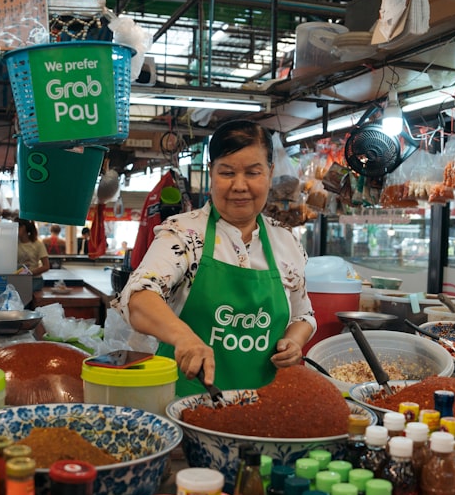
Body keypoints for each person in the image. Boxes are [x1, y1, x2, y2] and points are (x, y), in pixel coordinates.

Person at [118, 119, 315, 397]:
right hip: (185, 404)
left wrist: (294, 342)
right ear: (211, 173)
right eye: (227, 172)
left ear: (270, 174)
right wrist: (183, 336)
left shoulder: (286, 241)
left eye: (252, 172)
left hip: (265, 408)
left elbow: (303, 314)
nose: (239, 185)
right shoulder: (183, 234)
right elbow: (138, 297)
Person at [16, 219, 50, 296]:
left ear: (23, 228)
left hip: (34, 279)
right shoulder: (14, 243)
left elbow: (46, 266)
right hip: (18, 279)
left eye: (17, 227)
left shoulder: (38, 244)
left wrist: (30, 273)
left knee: (23, 295)